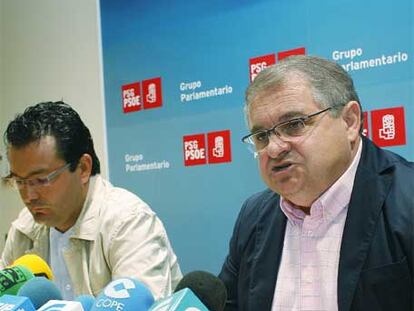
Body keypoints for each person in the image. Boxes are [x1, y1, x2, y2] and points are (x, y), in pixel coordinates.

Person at [219, 55, 413, 310]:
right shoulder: (253, 216)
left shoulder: (407, 200)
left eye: (294, 124)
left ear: (349, 122)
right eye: (261, 136)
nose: (274, 148)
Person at [1, 101, 182, 300]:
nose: (29, 196)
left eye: (41, 180)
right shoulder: (23, 229)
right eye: (19, 181)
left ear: (83, 168)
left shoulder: (128, 222)